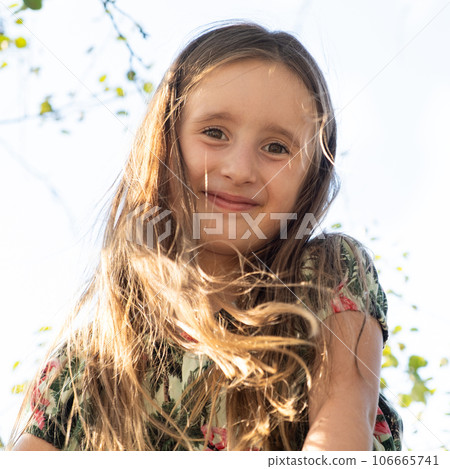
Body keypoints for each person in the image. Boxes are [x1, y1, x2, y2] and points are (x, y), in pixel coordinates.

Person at [9, 21, 402, 451]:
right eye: (214, 133)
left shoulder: (328, 273)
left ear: (311, 178)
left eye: (277, 147)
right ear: (166, 142)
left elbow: (344, 423)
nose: (239, 169)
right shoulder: (88, 359)